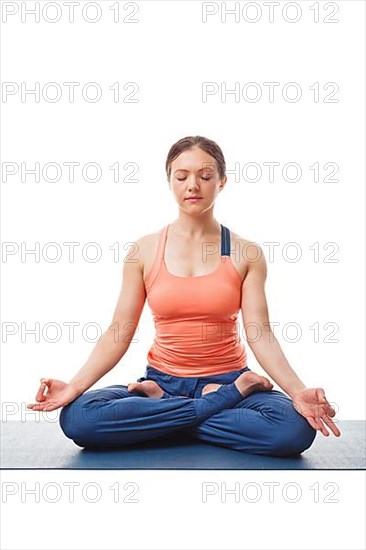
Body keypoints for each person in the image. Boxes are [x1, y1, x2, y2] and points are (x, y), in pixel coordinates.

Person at [27, 136, 341, 456]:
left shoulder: (246, 253)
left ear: (222, 182)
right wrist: (75, 386)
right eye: (182, 176)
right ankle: (212, 401)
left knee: (293, 429)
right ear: (170, 181)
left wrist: (298, 391)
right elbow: (119, 331)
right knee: (79, 419)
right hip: (166, 380)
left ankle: (163, 414)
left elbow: (260, 334)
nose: (193, 185)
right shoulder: (144, 251)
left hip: (227, 378)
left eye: (205, 176)